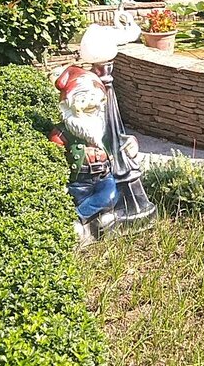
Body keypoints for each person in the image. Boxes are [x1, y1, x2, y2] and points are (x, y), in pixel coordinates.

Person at [50, 64, 155, 245]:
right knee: (79, 198)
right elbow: (54, 158)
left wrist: (131, 144)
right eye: (83, 100)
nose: (92, 104)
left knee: (110, 196)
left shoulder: (102, 128)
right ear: (68, 104)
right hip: (79, 180)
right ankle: (84, 221)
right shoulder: (62, 133)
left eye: (95, 98)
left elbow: (119, 140)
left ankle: (79, 217)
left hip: (104, 178)